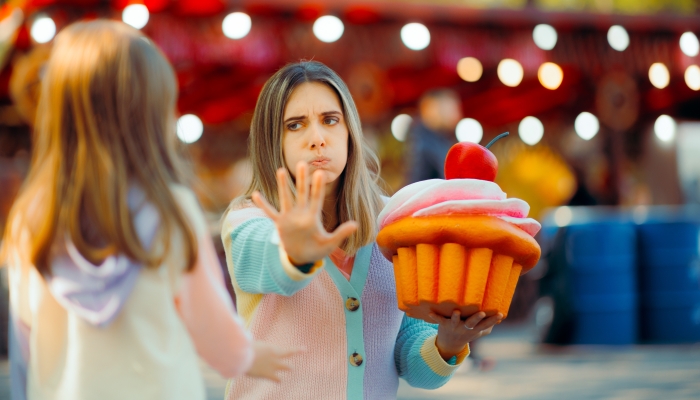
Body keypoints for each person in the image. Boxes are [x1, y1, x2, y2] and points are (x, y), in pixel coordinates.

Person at [1, 20, 295, 400]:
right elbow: (212, 328)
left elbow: (25, 338)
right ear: (150, 115)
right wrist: (249, 356)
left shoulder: (31, 218)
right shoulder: (171, 212)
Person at [221, 61, 501, 399]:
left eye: (330, 120)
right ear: (272, 142)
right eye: (295, 125)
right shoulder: (248, 219)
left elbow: (413, 365)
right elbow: (269, 264)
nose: (317, 139)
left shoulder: (397, 222)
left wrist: (448, 343)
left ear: (349, 130)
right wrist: (295, 252)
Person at [406, 89, 462, 183]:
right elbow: (450, 176)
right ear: (433, 109)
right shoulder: (424, 141)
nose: (457, 114)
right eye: (450, 109)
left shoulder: (437, 137)